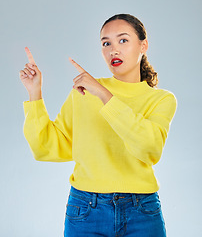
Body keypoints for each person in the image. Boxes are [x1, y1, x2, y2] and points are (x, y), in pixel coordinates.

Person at [19, 13, 177, 237]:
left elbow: (149, 148)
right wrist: (34, 92)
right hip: (86, 209)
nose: (113, 49)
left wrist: (104, 94)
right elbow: (47, 147)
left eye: (123, 40)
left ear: (144, 45)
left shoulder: (161, 99)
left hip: (142, 210)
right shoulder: (84, 92)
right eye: (106, 43)